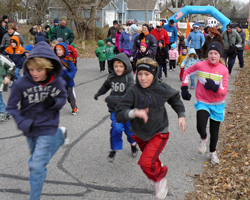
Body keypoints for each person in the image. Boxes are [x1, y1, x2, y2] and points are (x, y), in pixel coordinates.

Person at [115, 57, 186, 200]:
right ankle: (156, 174)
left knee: (145, 162)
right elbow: (119, 113)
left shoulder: (161, 88)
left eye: (147, 74)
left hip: (159, 132)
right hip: (140, 133)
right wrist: (134, 112)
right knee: (152, 160)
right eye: (140, 74)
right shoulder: (133, 91)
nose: (142, 78)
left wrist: (181, 114)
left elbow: (174, 98)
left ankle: (160, 180)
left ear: (154, 74)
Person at [6, 41, 68, 200]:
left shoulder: (58, 82)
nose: (35, 73)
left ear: (48, 68)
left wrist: (54, 103)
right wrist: (21, 122)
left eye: (39, 70)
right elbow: (11, 106)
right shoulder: (21, 84)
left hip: (48, 126)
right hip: (29, 128)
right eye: (32, 69)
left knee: (35, 165)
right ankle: (60, 137)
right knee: (38, 165)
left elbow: (63, 97)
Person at [181, 41, 228, 164]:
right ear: (207, 54)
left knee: (214, 132)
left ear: (220, 55)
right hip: (203, 101)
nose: (213, 56)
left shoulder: (223, 70)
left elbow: (224, 91)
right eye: (210, 53)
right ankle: (203, 137)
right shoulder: (200, 65)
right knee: (200, 125)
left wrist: (215, 87)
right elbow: (187, 72)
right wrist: (184, 87)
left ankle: (212, 152)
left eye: (216, 53)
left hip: (218, 104)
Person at [94, 53, 138, 162]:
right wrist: (98, 93)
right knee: (116, 128)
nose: (118, 68)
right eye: (116, 66)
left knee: (129, 132)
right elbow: (105, 86)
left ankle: (133, 145)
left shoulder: (129, 79)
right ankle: (113, 149)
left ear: (126, 66)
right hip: (115, 110)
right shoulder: (111, 77)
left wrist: (111, 99)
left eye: (121, 66)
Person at [54, 42, 77, 115]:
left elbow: (73, 70)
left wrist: (68, 76)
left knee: (70, 96)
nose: (58, 51)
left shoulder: (69, 60)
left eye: (60, 50)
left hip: (68, 81)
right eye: (57, 50)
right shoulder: (55, 60)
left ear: (64, 51)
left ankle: (74, 108)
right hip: (59, 81)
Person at [0, 54, 15, 121]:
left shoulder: (2, 58)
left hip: (1, 80)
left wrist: (8, 76)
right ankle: (8, 113)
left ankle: (2, 112)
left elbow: (12, 66)